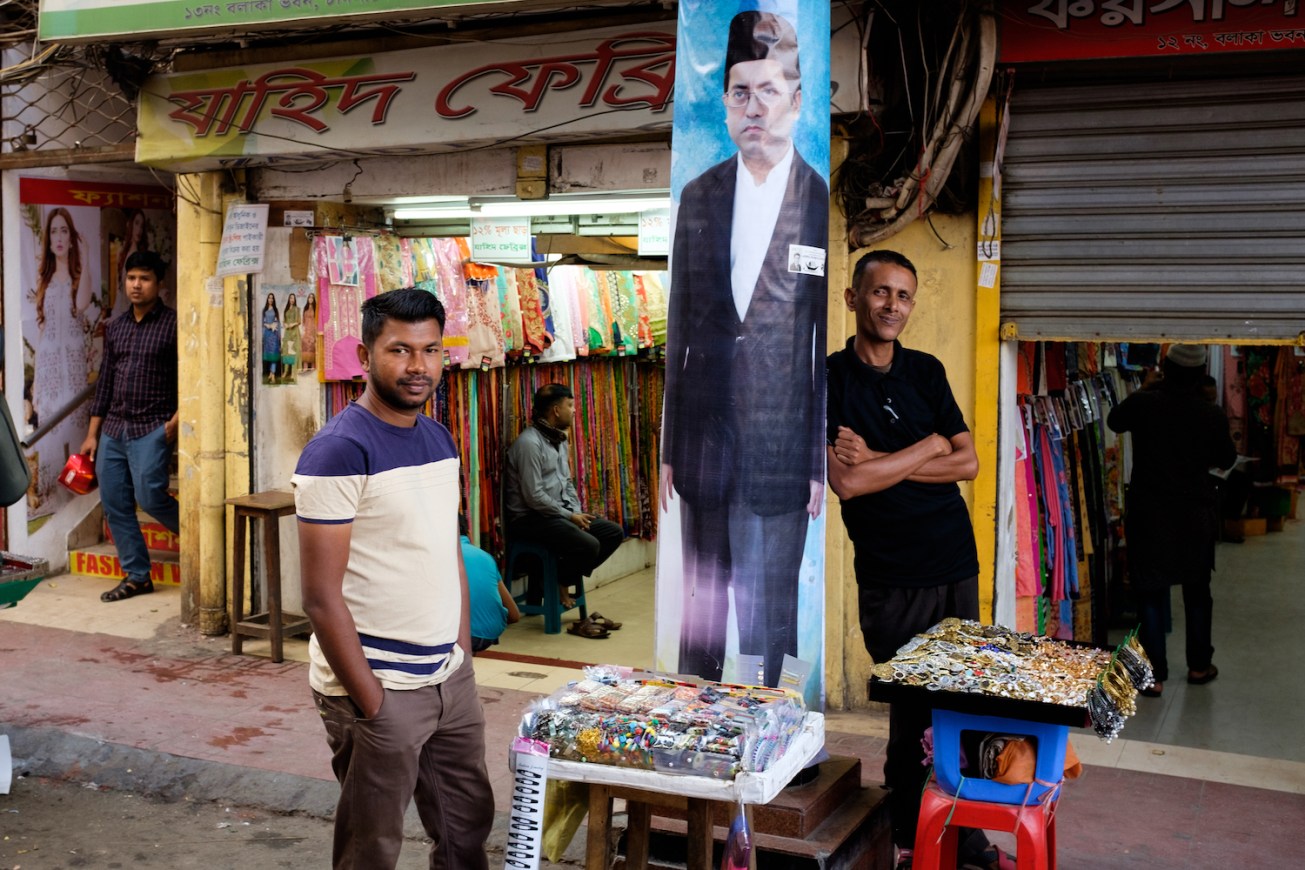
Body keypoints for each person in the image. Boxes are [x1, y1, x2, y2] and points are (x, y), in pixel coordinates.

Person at [292, 287, 493, 869]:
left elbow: (444, 550)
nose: (418, 367)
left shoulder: (437, 437)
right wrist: (374, 702)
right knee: (371, 848)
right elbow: (321, 597)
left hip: (448, 680)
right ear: (363, 355)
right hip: (378, 687)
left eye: (430, 351)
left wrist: (459, 654)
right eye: (400, 350)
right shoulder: (337, 451)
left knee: (465, 830)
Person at [659, 9, 826, 687]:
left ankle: (774, 731)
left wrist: (817, 456)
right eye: (739, 93)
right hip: (701, 444)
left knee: (770, 612)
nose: (752, 107)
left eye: (767, 90)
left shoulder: (817, 202)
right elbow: (677, 331)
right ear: (725, 105)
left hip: (781, 447)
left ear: (794, 99)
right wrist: (669, 448)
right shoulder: (698, 197)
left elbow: (818, 344)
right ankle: (694, 717)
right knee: (701, 605)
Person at [826, 250, 994, 868]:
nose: (893, 305)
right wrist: (926, 448)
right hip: (892, 573)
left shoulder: (926, 371)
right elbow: (846, 486)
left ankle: (962, 830)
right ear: (853, 298)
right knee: (913, 708)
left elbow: (968, 464)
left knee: (962, 699)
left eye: (904, 295)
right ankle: (910, 835)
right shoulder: (829, 380)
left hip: (953, 558)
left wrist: (879, 460)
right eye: (880, 293)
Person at [1107, 344, 1235, 698]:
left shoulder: (1145, 404)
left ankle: (1154, 675)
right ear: (1200, 374)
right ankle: (1198, 665)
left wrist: (1146, 387)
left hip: (1150, 513)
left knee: (1150, 592)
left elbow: (1113, 421)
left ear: (1164, 367)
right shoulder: (1210, 413)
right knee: (1197, 592)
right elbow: (1227, 456)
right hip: (1194, 513)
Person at [80, 251, 179, 603]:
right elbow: (105, 381)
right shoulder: (117, 328)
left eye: (145, 278)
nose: (136, 285)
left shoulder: (173, 325)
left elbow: (192, 375)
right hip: (114, 430)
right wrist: (93, 434)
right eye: (131, 278)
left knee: (150, 496)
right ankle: (137, 576)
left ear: (159, 284)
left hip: (153, 426)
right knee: (114, 503)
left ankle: (204, 542)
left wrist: (175, 423)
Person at [504, 383, 624, 635]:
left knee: (612, 532)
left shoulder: (559, 439)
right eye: (570, 406)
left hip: (557, 514)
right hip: (530, 518)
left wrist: (577, 512)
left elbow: (566, 482)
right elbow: (533, 495)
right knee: (589, 544)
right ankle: (561, 581)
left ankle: (562, 578)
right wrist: (570, 516)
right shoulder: (529, 444)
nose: (574, 411)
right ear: (556, 410)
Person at [29, 207, 96, 509]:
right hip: (51, 370)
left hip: (73, 367)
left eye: (63, 231)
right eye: (53, 231)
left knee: (75, 432)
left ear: (71, 237)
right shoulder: (43, 280)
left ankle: (77, 497)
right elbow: (42, 333)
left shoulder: (77, 278)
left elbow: (82, 304)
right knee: (53, 437)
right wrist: (37, 385)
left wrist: (87, 253)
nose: (58, 237)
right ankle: (54, 498)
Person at [461, 514, 521, 652]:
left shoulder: (438, 556)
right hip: (491, 632)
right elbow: (514, 615)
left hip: (461, 636)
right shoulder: (485, 556)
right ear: (469, 533)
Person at [280, 293, 301, 383]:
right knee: (286, 352)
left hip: (294, 332)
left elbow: (299, 321)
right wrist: (285, 324)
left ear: (295, 300)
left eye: (293, 298)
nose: (292, 299)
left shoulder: (297, 309)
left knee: (293, 352)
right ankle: (285, 371)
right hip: (287, 332)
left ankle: (293, 372)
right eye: (290, 298)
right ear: (289, 299)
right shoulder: (286, 309)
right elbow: (284, 320)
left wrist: (292, 324)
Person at [261, 291, 281, 383]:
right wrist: (267, 325)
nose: (271, 299)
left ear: (273, 300)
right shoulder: (264, 310)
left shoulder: (276, 310)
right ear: (267, 299)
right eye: (269, 297)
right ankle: (270, 374)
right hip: (267, 335)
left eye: (272, 298)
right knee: (269, 355)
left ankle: (273, 375)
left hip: (274, 334)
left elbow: (277, 322)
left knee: (274, 355)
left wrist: (273, 325)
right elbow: (263, 322)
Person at [300, 291, 319, 372]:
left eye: (312, 297)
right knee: (304, 347)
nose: (310, 299)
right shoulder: (305, 308)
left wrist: (315, 333)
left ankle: (313, 367)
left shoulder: (316, 309)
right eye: (309, 297)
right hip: (306, 330)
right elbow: (303, 321)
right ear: (308, 299)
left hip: (313, 330)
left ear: (314, 299)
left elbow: (317, 321)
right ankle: (305, 367)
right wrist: (303, 330)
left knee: (312, 348)